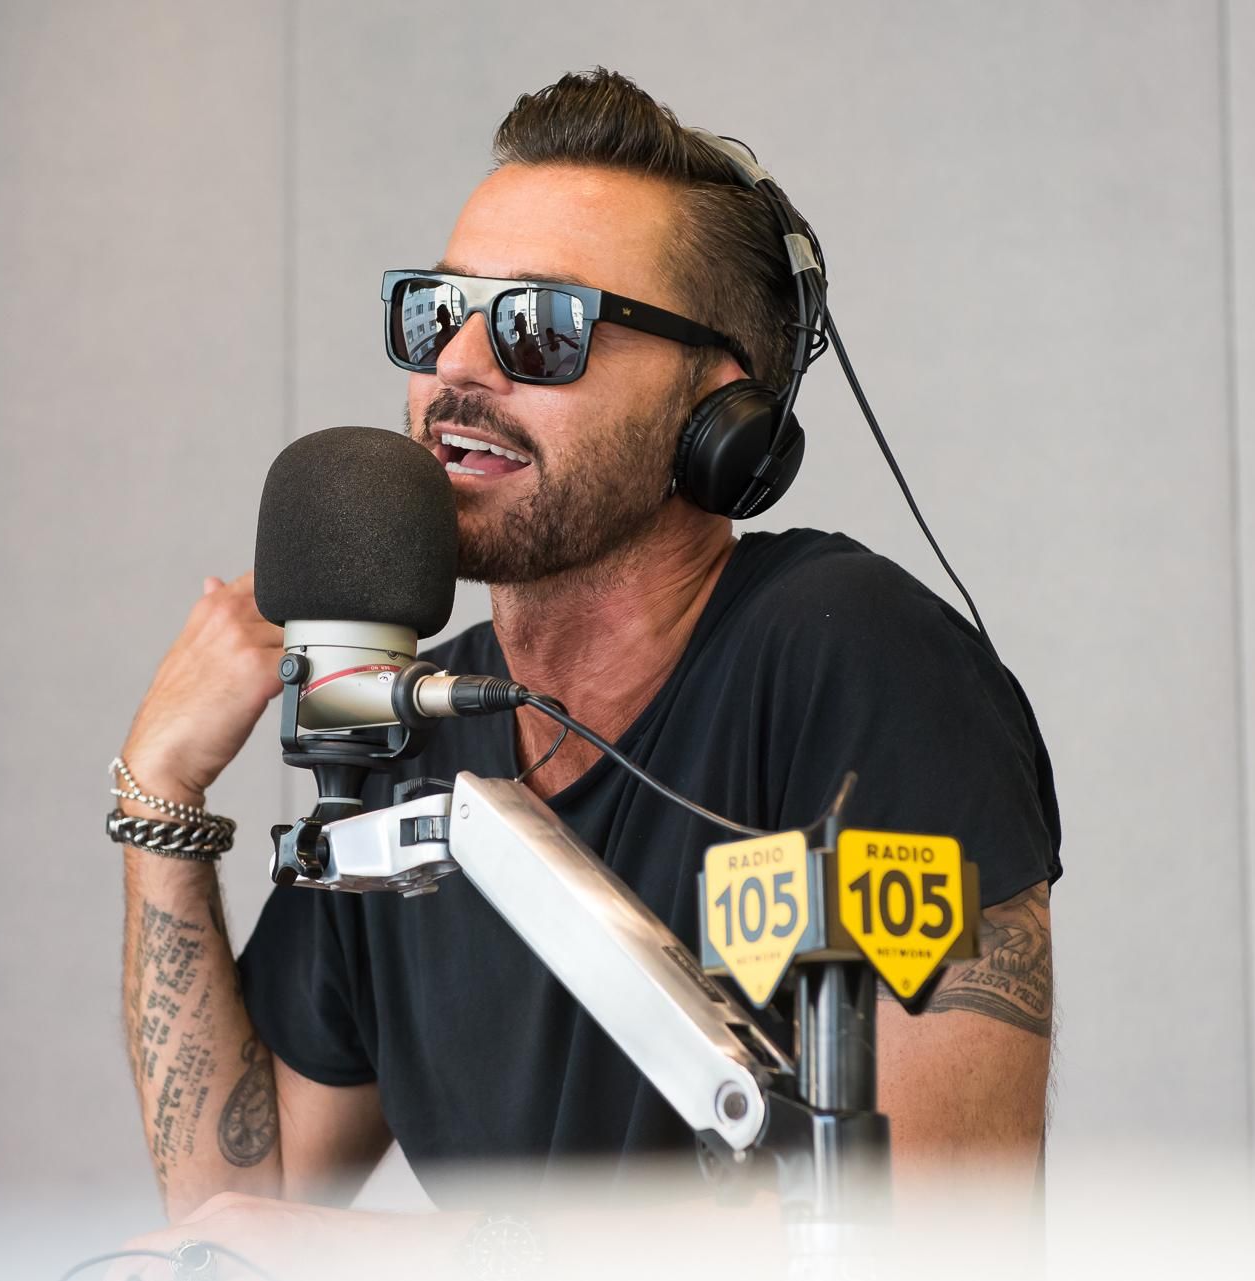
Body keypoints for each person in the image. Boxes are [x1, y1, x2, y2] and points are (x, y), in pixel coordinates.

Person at [114, 68, 1061, 1265]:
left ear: (722, 416)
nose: (459, 366)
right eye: (437, 314)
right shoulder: (407, 731)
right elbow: (237, 1203)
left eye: (541, 327)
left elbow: (939, 1231)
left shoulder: (855, 660)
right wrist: (160, 800)